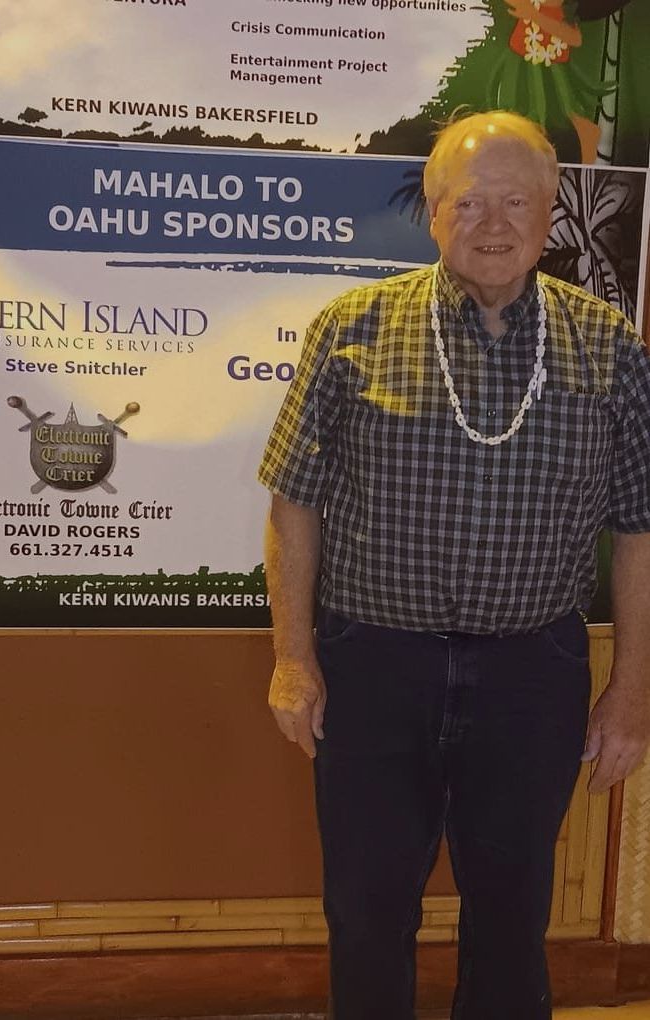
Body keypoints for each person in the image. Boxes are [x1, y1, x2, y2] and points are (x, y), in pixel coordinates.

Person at [258, 110, 650, 1020]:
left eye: (515, 201)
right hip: (371, 668)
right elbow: (292, 504)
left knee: (512, 918)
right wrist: (291, 658)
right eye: (467, 202)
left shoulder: (609, 347)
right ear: (432, 213)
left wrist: (631, 692)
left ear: (550, 213)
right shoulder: (351, 328)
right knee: (365, 911)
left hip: (531, 675)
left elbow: (638, 529)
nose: (492, 224)